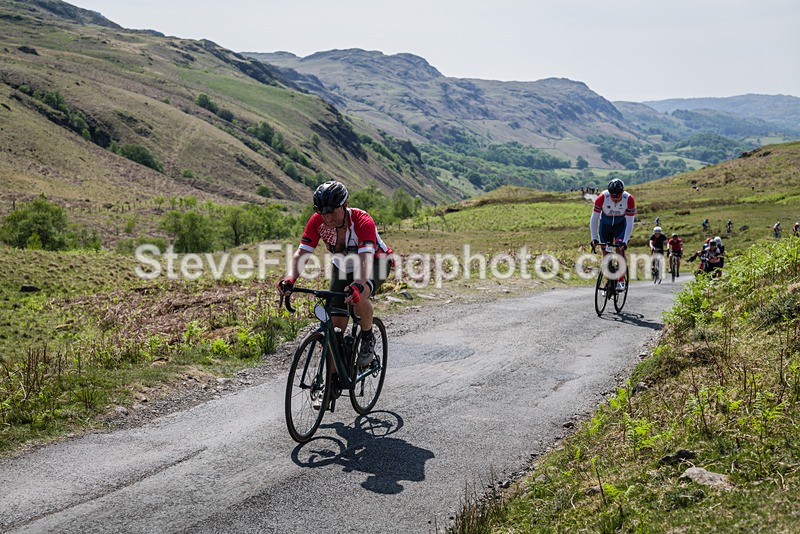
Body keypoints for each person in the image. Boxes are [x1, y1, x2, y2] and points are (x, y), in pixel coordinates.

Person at [278, 181, 394, 371]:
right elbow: (302, 253)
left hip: (376, 261)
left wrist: (358, 285)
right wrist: (290, 279)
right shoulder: (317, 221)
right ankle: (330, 389)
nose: (328, 218)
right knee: (335, 330)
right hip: (343, 266)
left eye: (332, 212)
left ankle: (367, 338)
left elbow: (365, 259)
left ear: (345, 205)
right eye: (323, 213)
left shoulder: (363, 221)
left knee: (360, 295)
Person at [590, 178, 636, 291]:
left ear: (622, 192)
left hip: (620, 227)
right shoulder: (602, 197)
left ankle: (621, 280)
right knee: (606, 255)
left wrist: (625, 241)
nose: (615, 198)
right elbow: (594, 219)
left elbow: (630, 223)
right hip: (605, 227)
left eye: (617, 195)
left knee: (620, 251)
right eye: (612, 195)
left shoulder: (629, 199)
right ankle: (607, 280)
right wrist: (594, 238)